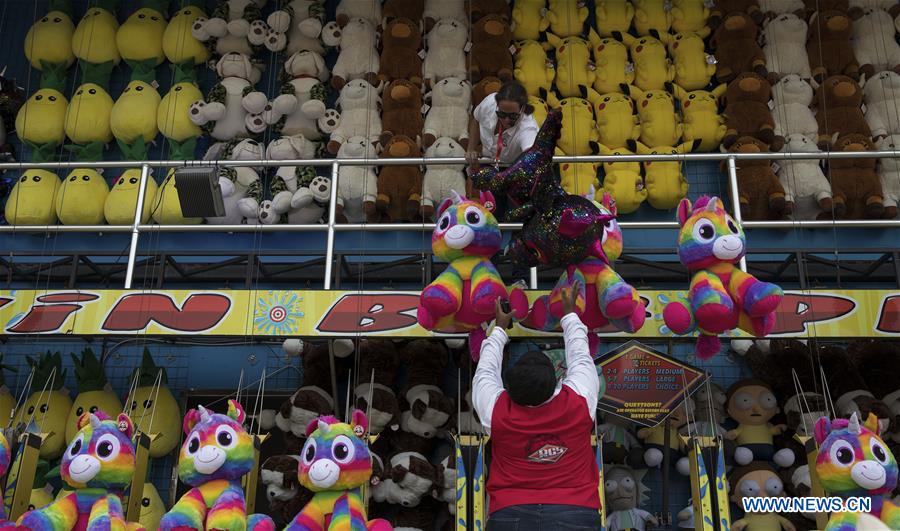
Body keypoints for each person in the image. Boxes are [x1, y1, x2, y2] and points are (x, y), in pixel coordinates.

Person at [473, 283, 602, 530]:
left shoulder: (497, 410)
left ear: (509, 387)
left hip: (510, 514)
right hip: (576, 512)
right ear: (556, 381)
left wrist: (499, 328)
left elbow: (486, 370)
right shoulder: (578, 402)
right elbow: (580, 354)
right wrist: (568, 313)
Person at [465, 80, 539, 174]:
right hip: (486, 160)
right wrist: (471, 149)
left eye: (513, 116)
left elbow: (531, 153)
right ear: (497, 105)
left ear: (522, 109)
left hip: (511, 167)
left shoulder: (528, 127)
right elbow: (476, 119)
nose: (506, 120)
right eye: (501, 114)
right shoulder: (489, 102)